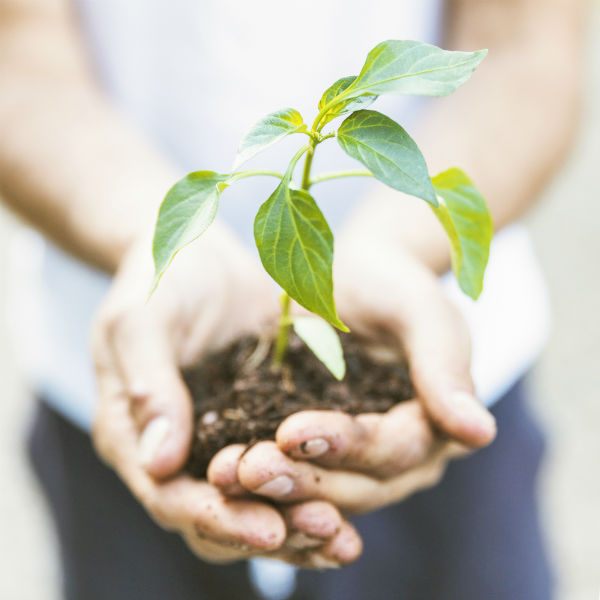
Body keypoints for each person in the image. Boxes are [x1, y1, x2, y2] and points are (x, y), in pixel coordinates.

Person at [0, 0, 586, 598]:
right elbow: (16, 60)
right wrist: (153, 250)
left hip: (423, 348)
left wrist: (402, 246)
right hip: (139, 363)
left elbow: (525, 52)